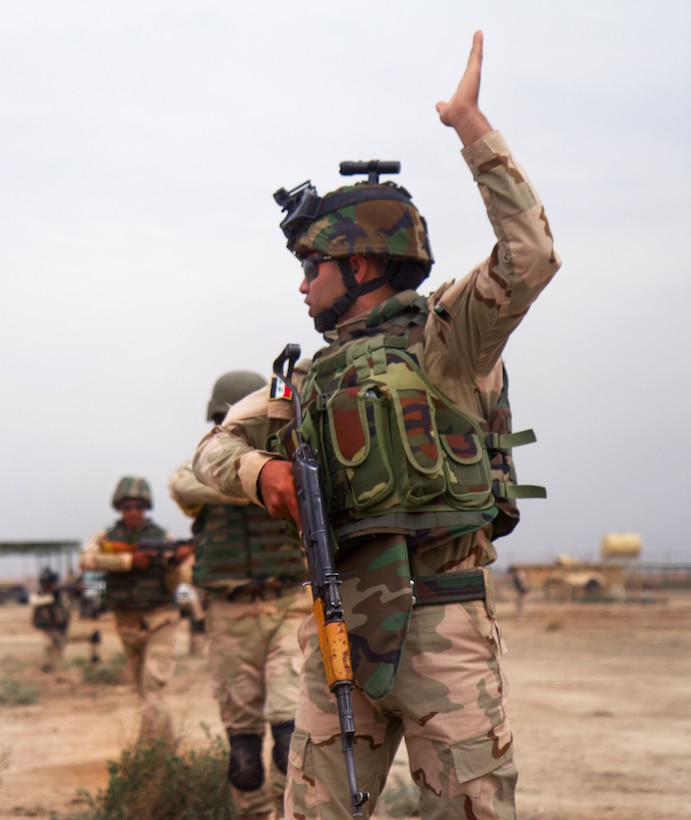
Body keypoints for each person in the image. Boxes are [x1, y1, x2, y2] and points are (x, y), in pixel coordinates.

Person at [193, 31, 560, 819]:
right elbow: (211, 451)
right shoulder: (309, 379)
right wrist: (266, 474)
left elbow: (528, 256)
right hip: (338, 633)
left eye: (310, 267)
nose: (300, 287)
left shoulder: (449, 338)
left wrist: (470, 127)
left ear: (358, 264)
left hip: (443, 626)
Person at [170, 371, 310, 820]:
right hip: (229, 614)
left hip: (289, 605)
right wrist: (255, 481)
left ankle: (287, 809)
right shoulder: (209, 462)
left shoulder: (294, 459)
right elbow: (183, 484)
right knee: (244, 757)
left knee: (291, 738)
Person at [80, 476, 188, 743]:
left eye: (139, 507)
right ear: (119, 508)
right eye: (128, 507)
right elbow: (87, 561)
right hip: (127, 622)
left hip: (160, 618)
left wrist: (175, 563)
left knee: (153, 687)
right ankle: (158, 746)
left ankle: (156, 751)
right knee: (142, 689)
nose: (134, 512)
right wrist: (129, 561)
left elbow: (175, 584)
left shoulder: (162, 537)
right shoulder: (106, 537)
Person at [32, 567, 72, 672]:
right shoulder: (41, 596)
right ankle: (49, 664)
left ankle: (56, 666)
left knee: (59, 645)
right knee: (50, 644)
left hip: (60, 626)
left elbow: (65, 614)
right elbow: (35, 602)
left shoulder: (58, 596)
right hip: (48, 627)